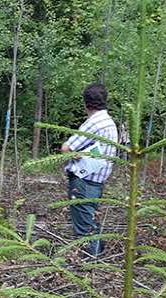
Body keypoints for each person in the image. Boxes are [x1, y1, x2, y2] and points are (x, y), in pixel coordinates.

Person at [61, 83, 118, 257]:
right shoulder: (109, 122)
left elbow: (66, 148)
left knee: (84, 226)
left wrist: (75, 153)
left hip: (83, 181)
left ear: (86, 103)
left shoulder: (94, 123)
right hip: (96, 182)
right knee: (91, 220)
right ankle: (97, 257)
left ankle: (89, 264)